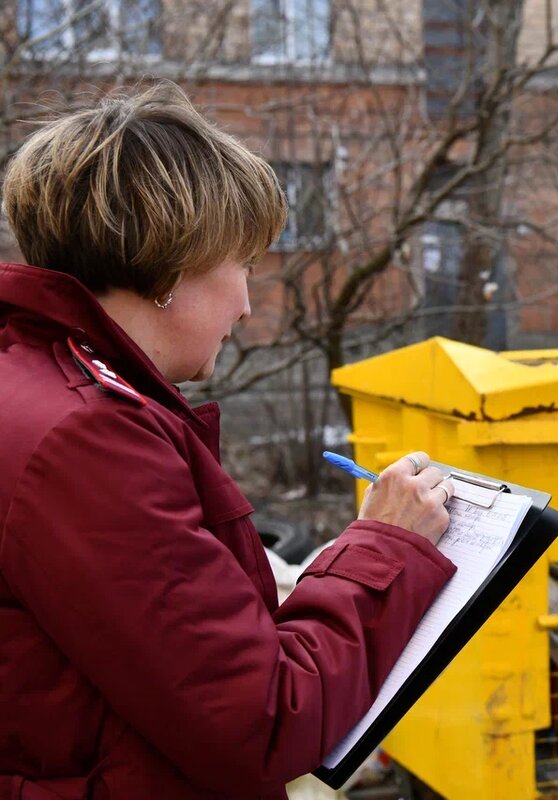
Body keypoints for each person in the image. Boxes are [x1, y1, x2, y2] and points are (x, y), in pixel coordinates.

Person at [0, 83, 460, 799]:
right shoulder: (88, 441)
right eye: (242, 263)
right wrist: (386, 546)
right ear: (174, 262)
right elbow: (269, 716)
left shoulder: (34, 382)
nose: (246, 302)